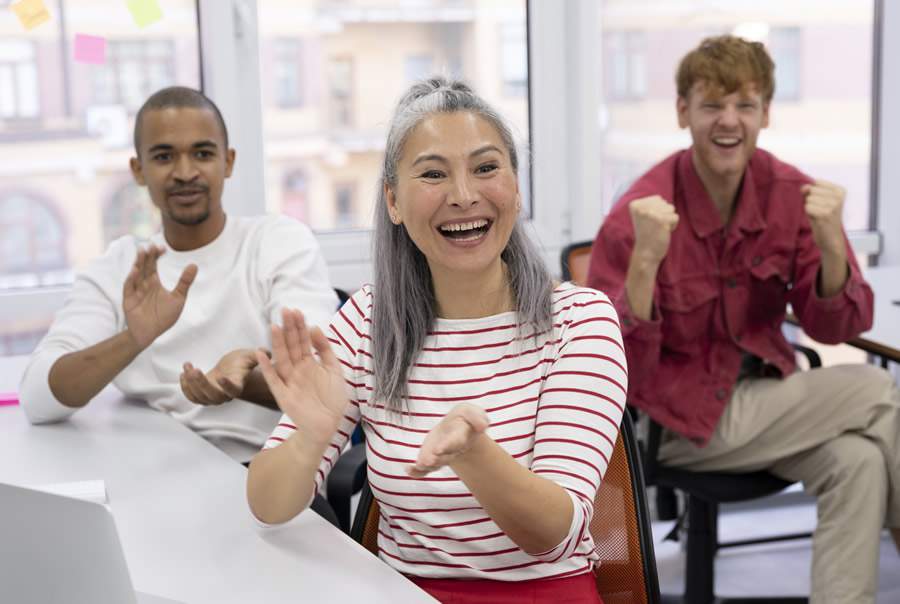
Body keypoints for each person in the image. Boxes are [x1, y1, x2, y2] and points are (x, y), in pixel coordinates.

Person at [245, 78, 626, 603]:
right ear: (394, 201)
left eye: (487, 168)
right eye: (432, 174)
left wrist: (473, 455)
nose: (464, 195)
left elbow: (552, 536)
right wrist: (309, 439)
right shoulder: (367, 320)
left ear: (516, 188)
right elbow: (267, 505)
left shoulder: (581, 320)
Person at [587, 35, 900, 603]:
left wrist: (834, 243)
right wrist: (647, 261)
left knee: (858, 462)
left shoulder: (790, 193)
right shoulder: (641, 211)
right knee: (879, 389)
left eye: (745, 105)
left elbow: (834, 326)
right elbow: (614, 372)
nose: (728, 121)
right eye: (711, 105)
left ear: (766, 114)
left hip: (767, 403)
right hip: (676, 423)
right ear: (683, 112)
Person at [19, 86, 337, 462]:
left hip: (264, 478)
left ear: (228, 162)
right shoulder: (120, 268)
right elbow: (39, 400)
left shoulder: (276, 242)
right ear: (138, 169)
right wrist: (132, 339)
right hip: (154, 477)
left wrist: (239, 385)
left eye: (202, 153)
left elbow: (328, 388)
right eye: (164, 156)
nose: (185, 173)